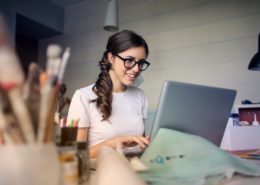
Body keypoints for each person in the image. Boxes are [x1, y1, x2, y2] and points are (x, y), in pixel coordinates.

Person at [67, 30, 150, 158]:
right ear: (111, 58)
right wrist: (112, 143)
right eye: (129, 61)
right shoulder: (83, 97)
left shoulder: (140, 95)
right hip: (103, 170)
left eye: (141, 63)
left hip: (136, 167)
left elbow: (141, 142)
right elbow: (76, 155)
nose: (136, 69)